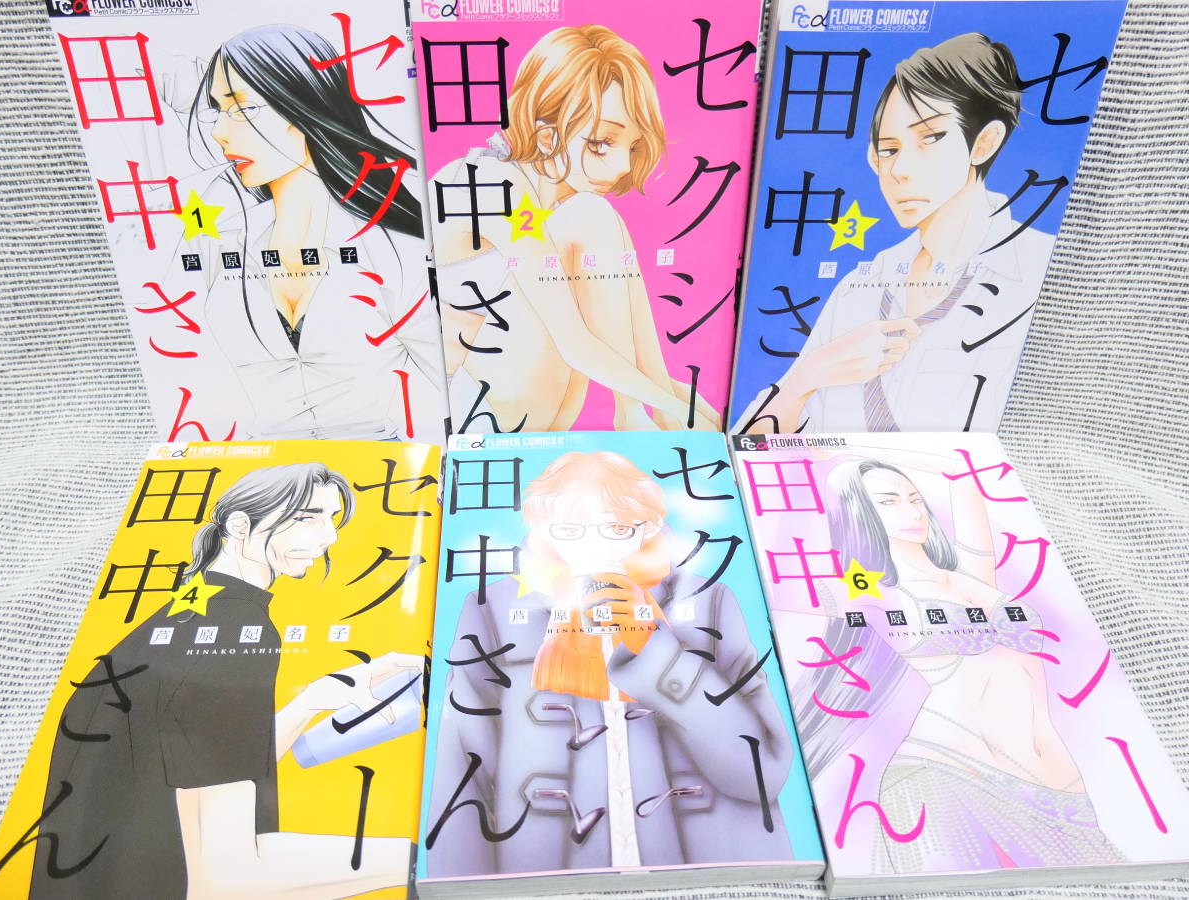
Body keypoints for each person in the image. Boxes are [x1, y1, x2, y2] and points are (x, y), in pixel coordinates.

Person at [30, 464, 421, 899]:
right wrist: (422, 862)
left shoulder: (183, 614)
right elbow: (226, 879)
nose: (330, 536)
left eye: (332, 518)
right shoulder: (236, 629)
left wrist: (311, 701)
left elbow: (204, 759)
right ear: (239, 525)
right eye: (307, 517)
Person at [425, 452, 792, 875]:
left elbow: (763, 771)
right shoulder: (494, 608)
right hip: (542, 871)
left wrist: (654, 648)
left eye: (617, 528)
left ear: (649, 525)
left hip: (710, 869)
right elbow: (460, 769)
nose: (594, 546)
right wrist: (461, 881)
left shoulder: (707, 600)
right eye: (569, 529)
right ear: (541, 529)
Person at [793, 446, 1123, 872]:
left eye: (915, 499)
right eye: (889, 502)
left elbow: (958, 473)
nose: (912, 512)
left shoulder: (972, 574)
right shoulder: (873, 590)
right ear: (859, 513)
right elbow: (805, 594)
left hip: (1058, 789)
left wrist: (857, 449)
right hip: (943, 775)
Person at [737, 33, 1054, 434]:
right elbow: (749, 442)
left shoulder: (1040, 269)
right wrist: (809, 375)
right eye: (888, 150)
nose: (899, 170)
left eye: (930, 139)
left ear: (984, 143)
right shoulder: (860, 289)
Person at [430, 25, 719, 432]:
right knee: (591, 217)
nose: (622, 166)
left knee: (595, 218)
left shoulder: (560, 207)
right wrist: (669, 403)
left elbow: (627, 330)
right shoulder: (492, 183)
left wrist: (669, 400)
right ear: (546, 135)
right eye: (602, 143)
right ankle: (634, 416)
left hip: (507, 409)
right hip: (459, 416)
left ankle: (639, 415)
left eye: (633, 146)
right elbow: (574, 343)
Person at [183, 25, 444, 441]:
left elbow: (457, 380)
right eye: (218, 109)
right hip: (263, 464)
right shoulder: (224, 238)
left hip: (380, 461)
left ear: (304, 107)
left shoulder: (391, 246)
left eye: (242, 108)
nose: (218, 132)